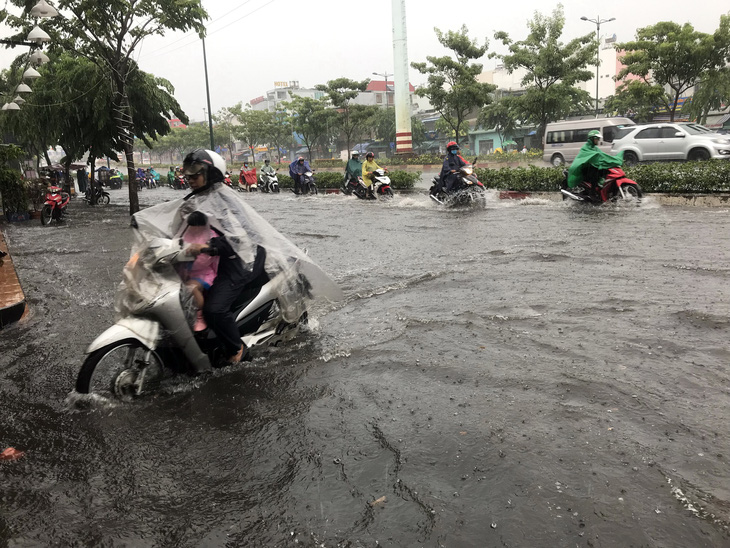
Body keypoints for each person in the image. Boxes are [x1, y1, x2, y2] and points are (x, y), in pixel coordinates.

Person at [124, 148, 342, 370]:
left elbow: (243, 236)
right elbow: (173, 226)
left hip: (238, 262)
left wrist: (210, 247)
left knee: (214, 310)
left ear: (211, 173)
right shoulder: (195, 200)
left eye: (195, 174)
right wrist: (146, 232)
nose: (190, 179)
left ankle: (235, 349)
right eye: (188, 175)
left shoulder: (226, 202)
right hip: (209, 261)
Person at [177, 211, 219, 332]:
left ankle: (199, 316)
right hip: (186, 271)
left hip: (205, 273)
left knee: (191, 288)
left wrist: (199, 251)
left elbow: (209, 259)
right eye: (192, 226)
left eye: (197, 227)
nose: (194, 229)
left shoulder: (211, 236)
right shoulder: (185, 234)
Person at [567, 129, 624, 199]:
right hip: (585, 170)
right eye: (597, 138)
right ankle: (592, 193)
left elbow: (603, 155)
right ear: (592, 138)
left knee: (606, 171)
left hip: (592, 168)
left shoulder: (595, 148)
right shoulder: (585, 148)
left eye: (598, 138)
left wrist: (613, 160)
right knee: (594, 173)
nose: (598, 140)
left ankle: (603, 190)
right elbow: (597, 156)